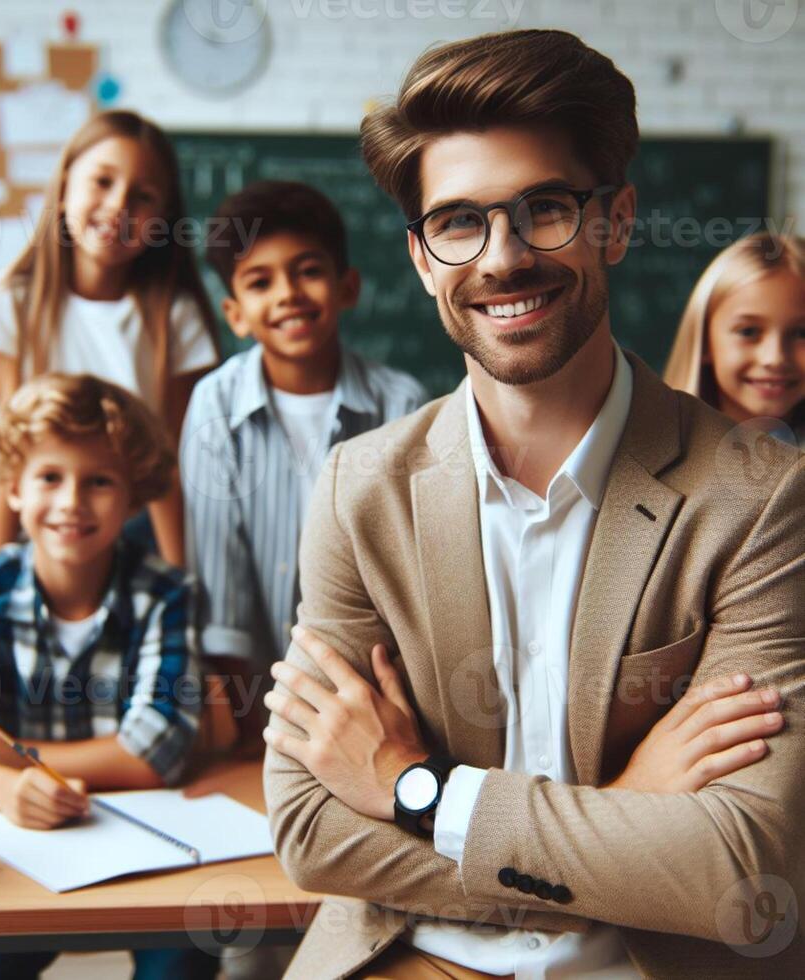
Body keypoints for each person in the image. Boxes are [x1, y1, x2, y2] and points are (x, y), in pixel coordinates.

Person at [262, 29, 803, 979]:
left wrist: (415, 791)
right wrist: (630, 810)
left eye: (545, 208)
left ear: (617, 221)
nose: (503, 258)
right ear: (425, 259)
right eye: (459, 222)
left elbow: (737, 862)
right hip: (402, 958)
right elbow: (311, 829)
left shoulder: (761, 497)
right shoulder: (359, 487)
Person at [0, 373, 211, 980]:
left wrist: (15, 757)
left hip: (147, 844)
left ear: (132, 496)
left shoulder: (167, 594)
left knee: (178, 965)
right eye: (50, 477)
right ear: (14, 489)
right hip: (19, 844)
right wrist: (4, 789)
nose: (71, 501)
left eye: (98, 481)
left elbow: (156, 750)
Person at [181, 179, 427, 750]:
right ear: (235, 314)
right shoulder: (213, 406)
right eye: (260, 282)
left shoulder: (402, 405)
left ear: (347, 287)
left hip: (378, 704)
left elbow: (410, 577)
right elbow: (221, 586)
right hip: (254, 710)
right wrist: (251, 728)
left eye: (307, 270)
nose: (288, 293)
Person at [0, 110, 220, 564]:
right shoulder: (12, 304)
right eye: (102, 182)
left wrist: (180, 578)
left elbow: (172, 467)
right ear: (64, 188)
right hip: (46, 526)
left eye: (143, 196)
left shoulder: (174, 317)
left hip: (140, 537)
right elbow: (10, 450)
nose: (120, 206)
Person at [664, 232, 805, 447]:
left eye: (801, 334)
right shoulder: (647, 451)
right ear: (705, 341)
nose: (775, 358)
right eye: (748, 332)